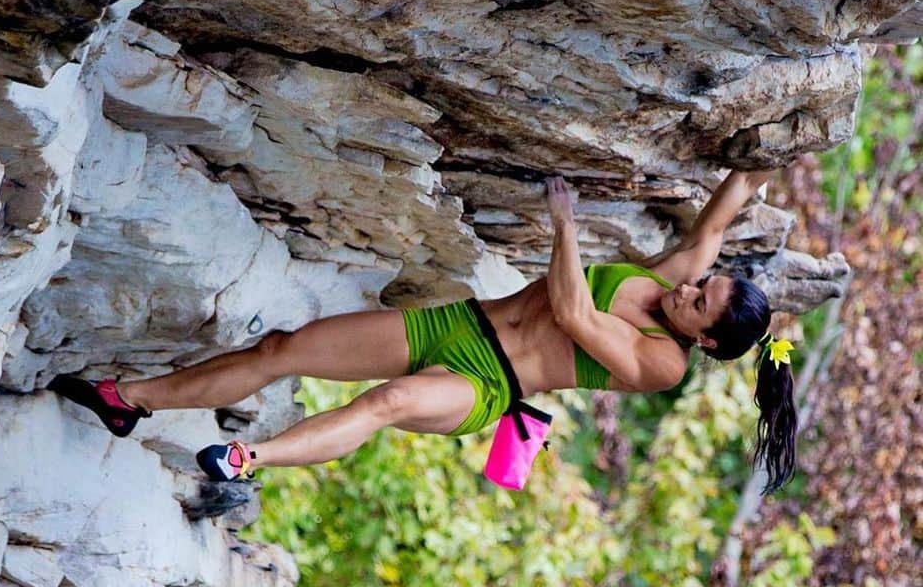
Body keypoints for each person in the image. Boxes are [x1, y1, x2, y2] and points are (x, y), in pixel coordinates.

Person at [50, 169, 799, 494]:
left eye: (701, 303)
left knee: (386, 403)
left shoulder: (662, 362)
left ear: (703, 342)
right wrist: (774, 158)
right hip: (455, 323)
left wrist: (565, 226)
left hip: (482, 382)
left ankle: (251, 457)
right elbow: (718, 217)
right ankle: (129, 398)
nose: (691, 290)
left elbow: (572, 314)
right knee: (280, 350)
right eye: (705, 283)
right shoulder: (674, 283)